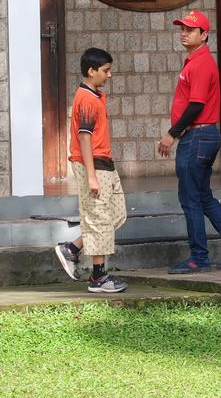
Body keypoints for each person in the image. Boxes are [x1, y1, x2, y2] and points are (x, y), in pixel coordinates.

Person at [156, 10, 221, 274]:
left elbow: (196, 105)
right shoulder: (197, 61)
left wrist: (172, 133)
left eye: (190, 29)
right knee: (202, 196)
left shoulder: (200, 64)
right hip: (202, 137)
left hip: (197, 137)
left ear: (204, 35)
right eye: (182, 29)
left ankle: (199, 257)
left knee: (190, 198)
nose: (184, 33)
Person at [54, 47, 128, 293]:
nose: (109, 75)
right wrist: (92, 176)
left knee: (116, 215)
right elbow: (84, 138)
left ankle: (72, 248)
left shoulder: (95, 95)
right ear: (91, 71)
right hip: (92, 165)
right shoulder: (85, 98)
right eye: (106, 71)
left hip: (104, 163)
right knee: (98, 218)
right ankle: (98, 278)